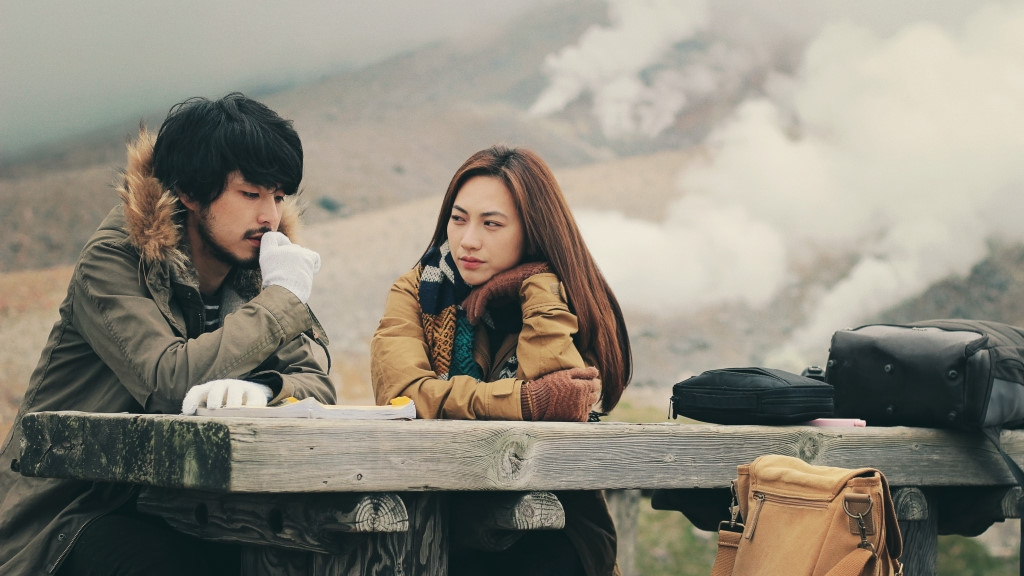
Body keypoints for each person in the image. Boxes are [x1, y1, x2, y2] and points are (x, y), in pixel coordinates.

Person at [0, 93, 336, 575]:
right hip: (69, 515)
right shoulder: (115, 259)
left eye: (278, 197)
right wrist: (283, 299)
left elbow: (318, 384)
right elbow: (168, 382)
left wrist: (265, 389)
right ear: (191, 193)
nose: (270, 217)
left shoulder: (258, 266)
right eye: (251, 194)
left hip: (187, 505)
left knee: (305, 551)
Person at [370, 145, 632, 576]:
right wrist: (524, 402)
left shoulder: (565, 296)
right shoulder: (418, 291)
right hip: (441, 518)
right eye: (459, 219)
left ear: (533, 231)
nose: (468, 240)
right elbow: (404, 398)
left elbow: (561, 409)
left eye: (491, 224)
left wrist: (537, 283)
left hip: (555, 525)